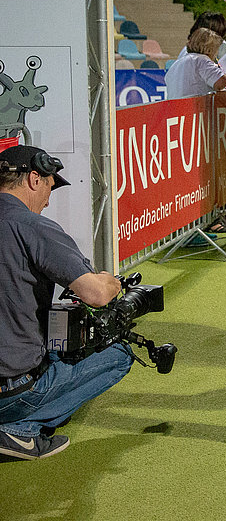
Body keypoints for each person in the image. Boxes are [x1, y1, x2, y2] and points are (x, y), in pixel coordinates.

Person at [0, 146, 132, 460]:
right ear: (34, 179)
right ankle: (20, 430)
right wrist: (112, 281)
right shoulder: (32, 226)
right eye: (49, 186)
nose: (47, 200)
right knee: (119, 355)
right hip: (10, 391)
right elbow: (96, 294)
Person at [165, 28, 226, 99]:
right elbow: (221, 82)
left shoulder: (175, 64)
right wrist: (219, 69)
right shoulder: (201, 60)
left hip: (175, 105)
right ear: (210, 48)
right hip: (195, 104)